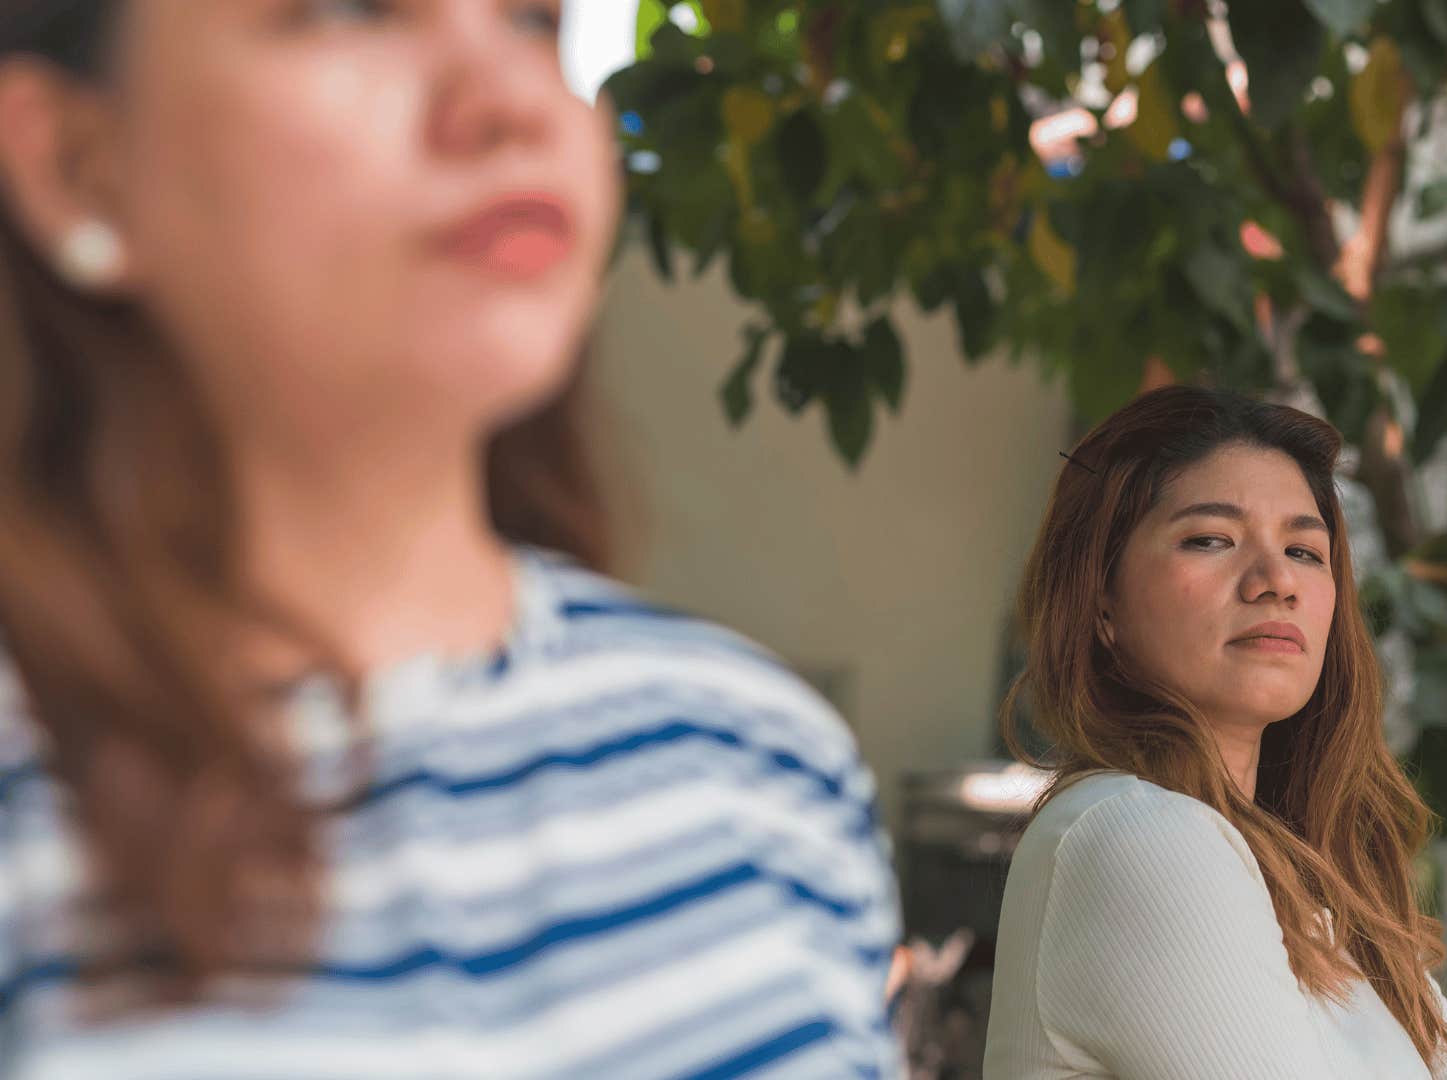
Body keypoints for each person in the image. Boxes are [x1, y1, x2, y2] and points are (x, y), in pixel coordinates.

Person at [0, 2, 899, 1075]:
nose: (512, 103)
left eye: (535, 20)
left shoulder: (766, 765)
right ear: (79, 163)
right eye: (351, 11)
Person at [983, 386, 1447, 1079]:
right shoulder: (1134, 834)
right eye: (1211, 540)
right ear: (1100, 600)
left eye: (1305, 550)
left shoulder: (1330, 901)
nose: (1275, 580)